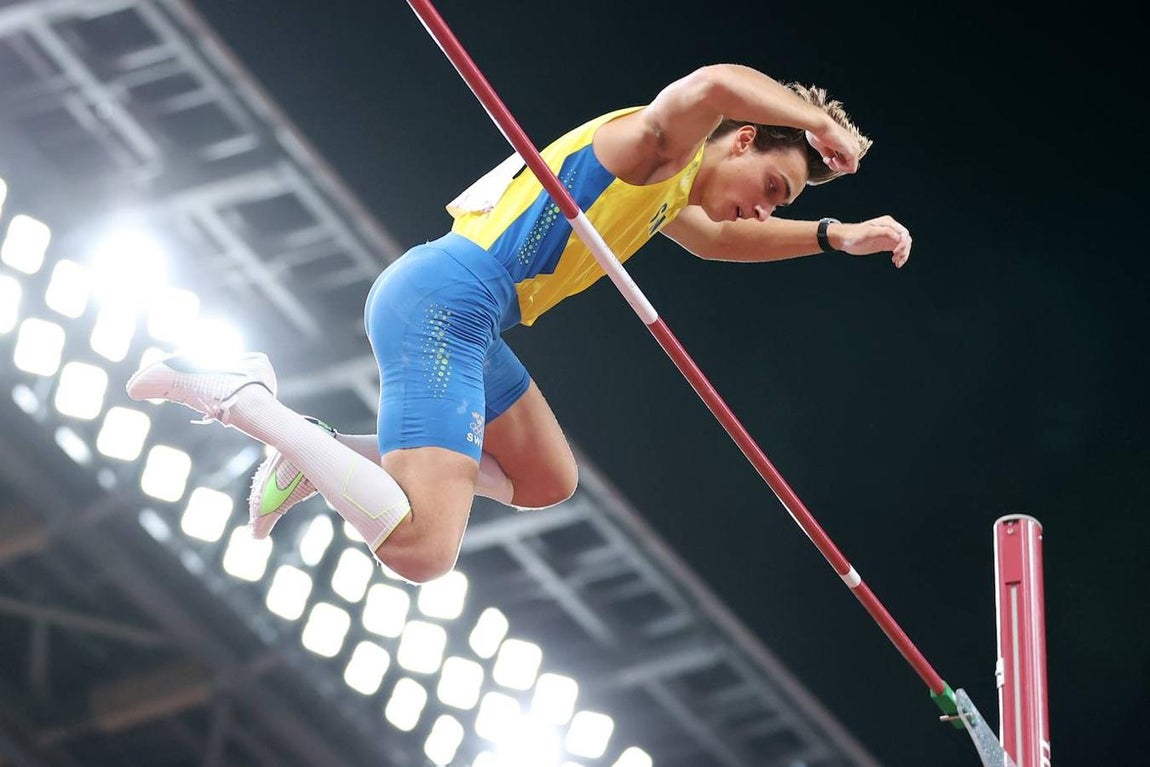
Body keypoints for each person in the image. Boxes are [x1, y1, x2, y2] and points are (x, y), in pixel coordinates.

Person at [126, 63, 912, 584]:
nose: (766, 206)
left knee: (545, 479)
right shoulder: (657, 145)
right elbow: (710, 82)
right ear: (741, 137)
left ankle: (319, 448)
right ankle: (248, 402)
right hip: (445, 301)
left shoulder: (671, 196)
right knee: (422, 549)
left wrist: (832, 235)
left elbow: (720, 240)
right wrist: (817, 119)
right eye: (772, 183)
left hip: (473, 319)